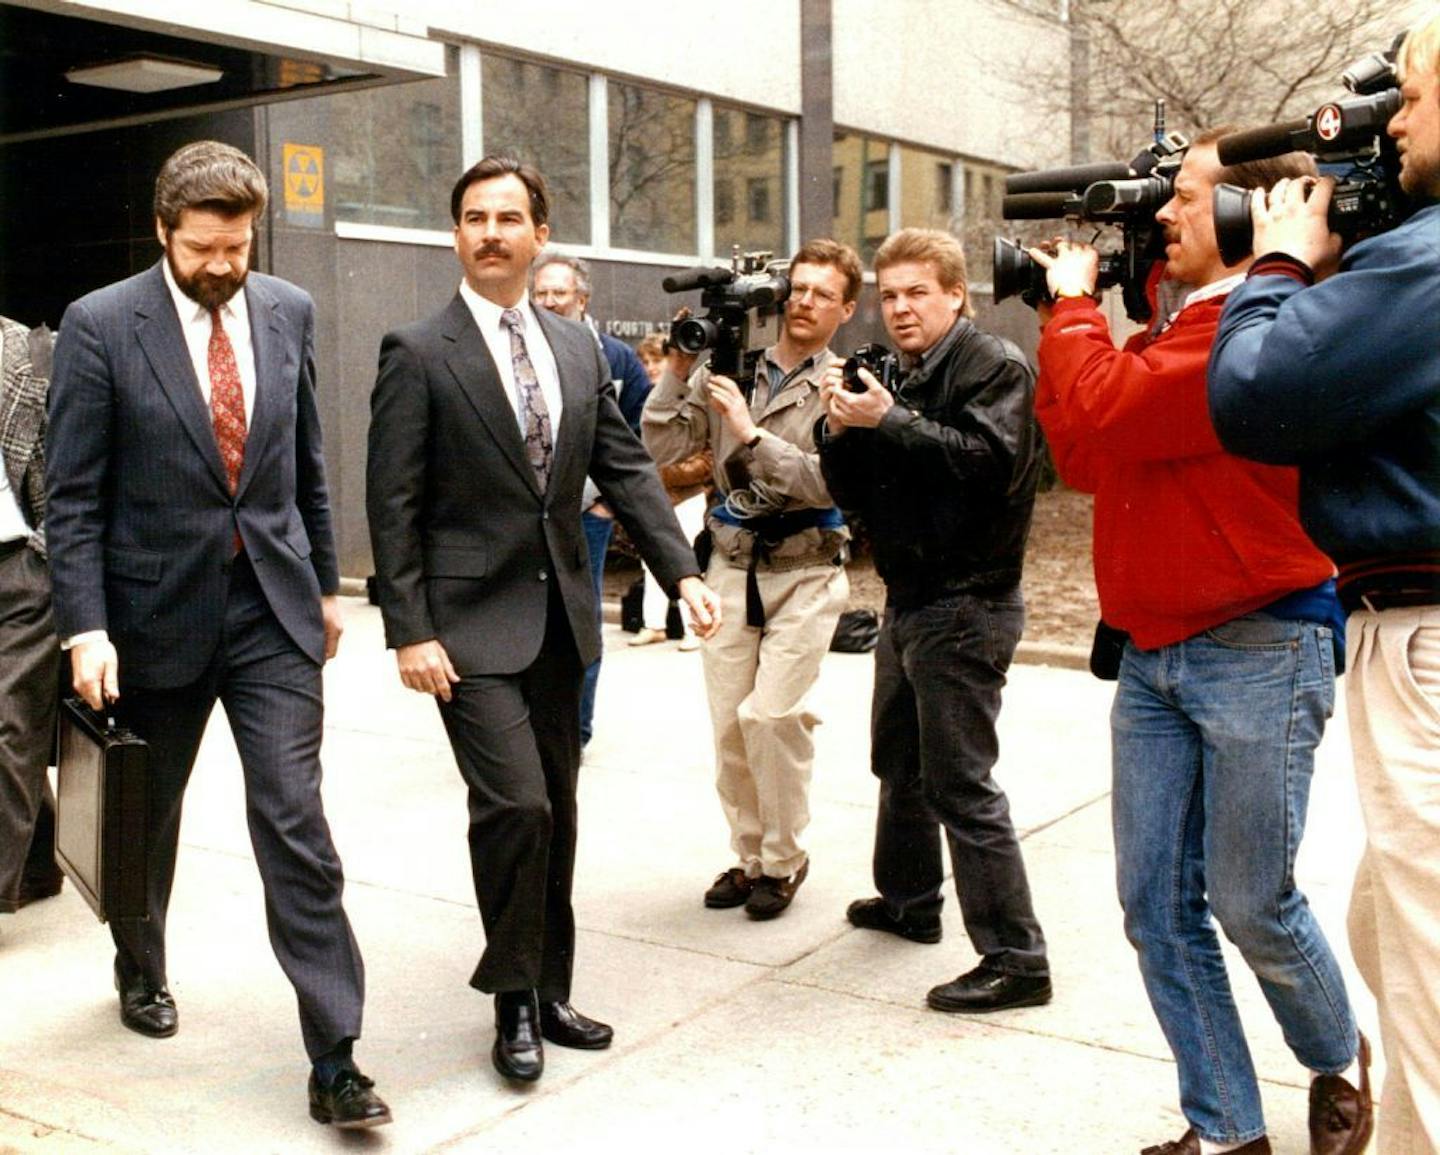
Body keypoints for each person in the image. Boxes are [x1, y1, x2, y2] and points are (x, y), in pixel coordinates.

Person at [1031, 131, 1370, 1155]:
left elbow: (1112, 403)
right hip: (1153, 653)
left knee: (1251, 901)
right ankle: (1226, 1126)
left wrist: (1072, 307)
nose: (1163, 216)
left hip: (1261, 643)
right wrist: (1084, 325)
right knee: (1153, 906)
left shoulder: (1255, 333)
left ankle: (1335, 1057)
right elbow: (1087, 448)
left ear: (1245, 217)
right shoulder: (1173, 333)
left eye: (1181, 198)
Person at [44, 141, 389, 1128]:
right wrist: (88, 627)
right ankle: (140, 962)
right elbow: (73, 499)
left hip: (271, 612)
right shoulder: (102, 325)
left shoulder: (288, 310)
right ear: (163, 233)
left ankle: (335, 1054)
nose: (223, 266)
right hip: (152, 616)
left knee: (294, 820)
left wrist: (325, 583)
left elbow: (305, 462)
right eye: (202, 248)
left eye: (237, 246)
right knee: (146, 824)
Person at [366, 155, 720, 1086]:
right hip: (464, 628)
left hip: (562, 618)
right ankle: (512, 999)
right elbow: (392, 502)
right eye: (475, 218)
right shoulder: (416, 349)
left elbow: (627, 469)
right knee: (515, 804)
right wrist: (408, 627)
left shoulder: (574, 349)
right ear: (457, 235)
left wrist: (681, 572)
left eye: (509, 218)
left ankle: (550, 985)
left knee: (557, 811)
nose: (491, 233)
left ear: (540, 234)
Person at [1208, 15, 1440, 1150]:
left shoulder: (1431, 257)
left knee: (1433, 968)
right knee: (1387, 927)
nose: (1396, 123)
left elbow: (1256, 396)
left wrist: (1283, 265)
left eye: (1413, 97)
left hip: (1426, 635)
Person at [817, 228, 1051, 1011]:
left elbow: (994, 466)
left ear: (958, 294)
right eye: (890, 295)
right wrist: (840, 429)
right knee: (899, 764)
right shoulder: (901, 373)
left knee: (960, 783)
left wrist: (889, 420)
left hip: (970, 599)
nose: (901, 308)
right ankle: (911, 900)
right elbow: (859, 490)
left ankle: (1017, 957)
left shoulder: (993, 365)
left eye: (918, 292)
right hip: (910, 598)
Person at [643, 238, 861, 919]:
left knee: (772, 717)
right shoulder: (732, 369)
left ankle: (785, 858)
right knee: (730, 727)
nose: (804, 301)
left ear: (846, 308)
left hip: (805, 568)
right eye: (798, 287)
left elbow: (831, 480)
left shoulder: (845, 385)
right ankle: (749, 857)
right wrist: (679, 370)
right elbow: (658, 446)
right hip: (731, 566)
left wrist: (747, 431)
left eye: (823, 293)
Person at [531, 252, 652, 744]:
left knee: (581, 624)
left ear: (582, 298)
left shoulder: (615, 357)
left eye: (559, 292)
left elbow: (639, 434)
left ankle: (575, 729)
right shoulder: (523, 350)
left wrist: (606, 502)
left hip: (587, 515)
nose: (549, 302)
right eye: (540, 293)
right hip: (531, 515)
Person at [0, 314, 64, 918]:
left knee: (10, 722)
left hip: (17, 566)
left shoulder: (28, 352)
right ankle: (38, 859)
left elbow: (67, 470)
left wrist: (47, 555)